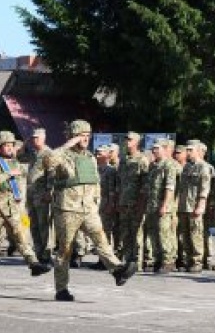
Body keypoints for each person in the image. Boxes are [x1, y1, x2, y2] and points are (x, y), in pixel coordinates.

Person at [44, 119, 136, 301]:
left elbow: (95, 183)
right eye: (81, 136)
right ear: (72, 137)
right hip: (67, 209)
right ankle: (61, 289)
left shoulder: (90, 158)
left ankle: (117, 270)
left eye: (87, 136)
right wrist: (67, 144)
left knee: (101, 240)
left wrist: (96, 203)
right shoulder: (64, 155)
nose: (85, 139)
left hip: (88, 209)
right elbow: (48, 161)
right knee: (65, 250)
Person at [0, 130, 51, 286]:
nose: (9, 148)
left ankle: (33, 264)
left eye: (11, 145)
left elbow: (34, 172)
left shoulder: (18, 163)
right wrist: (8, 174)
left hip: (15, 208)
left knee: (22, 238)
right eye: (5, 145)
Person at [143, 139, 178, 273]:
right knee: (153, 234)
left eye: (157, 148)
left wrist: (164, 205)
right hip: (152, 205)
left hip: (163, 206)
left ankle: (168, 261)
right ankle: (158, 260)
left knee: (164, 234)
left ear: (164, 149)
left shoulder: (169, 165)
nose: (154, 151)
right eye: (153, 148)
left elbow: (170, 188)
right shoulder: (153, 166)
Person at [177, 140, 212, 272]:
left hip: (195, 206)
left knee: (195, 234)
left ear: (198, 151)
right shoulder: (187, 167)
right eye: (188, 150)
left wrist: (201, 205)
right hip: (184, 206)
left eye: (191, 150)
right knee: (185, 235)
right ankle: (188, 260)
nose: (188, 152)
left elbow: (205, 188)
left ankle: (197, 262)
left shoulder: (203, 167)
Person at [116, 131, 149, 264]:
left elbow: (145, 185)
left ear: (137, 142)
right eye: (126, 139)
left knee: (137, 233)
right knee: (125, 233)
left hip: (136, 203)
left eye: (130, 139)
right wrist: (119, 201)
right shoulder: (123, 160)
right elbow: (119, 182)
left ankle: (137, 262)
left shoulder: (142, 160)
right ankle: (127, 260)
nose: (127, 142)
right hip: (124, 203)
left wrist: (141, 204)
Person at [24, 128, 55, 264]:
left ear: (43, 138)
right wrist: (25, 143)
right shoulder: (33, 153)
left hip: (42, 194)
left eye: (37, 137)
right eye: (33, 138)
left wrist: (49, 191)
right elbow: (18, 156)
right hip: (31, 194)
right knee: (34, 224)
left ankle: (47, 253)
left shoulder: (48, 153)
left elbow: (52, 174)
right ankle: (38, 251)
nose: (34, 140)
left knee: (44, 224)